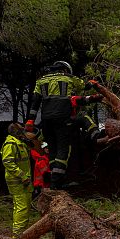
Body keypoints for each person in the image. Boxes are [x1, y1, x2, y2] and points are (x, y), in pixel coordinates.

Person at [25, 60, 101, 189]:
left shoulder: (40, 81)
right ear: (65, 70)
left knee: (53, 150)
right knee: (63, 150)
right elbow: (83, 87)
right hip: (62, 119)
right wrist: (91, 84)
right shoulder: (68, 78)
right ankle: (95, 135)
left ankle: (55, 182)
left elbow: (35, 103)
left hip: (46, 121)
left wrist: (30, 120)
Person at [1, 122, 34, 237]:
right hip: (18, 181)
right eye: (21, 131)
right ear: (16, 132)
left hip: (24, 181)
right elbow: (7, 162)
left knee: (23, 207)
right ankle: (17, 237)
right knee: (22, 208)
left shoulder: (20, 143)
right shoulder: (10, 144)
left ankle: (21, 235)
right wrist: (22, 176)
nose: (23, 133)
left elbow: (35, 144)